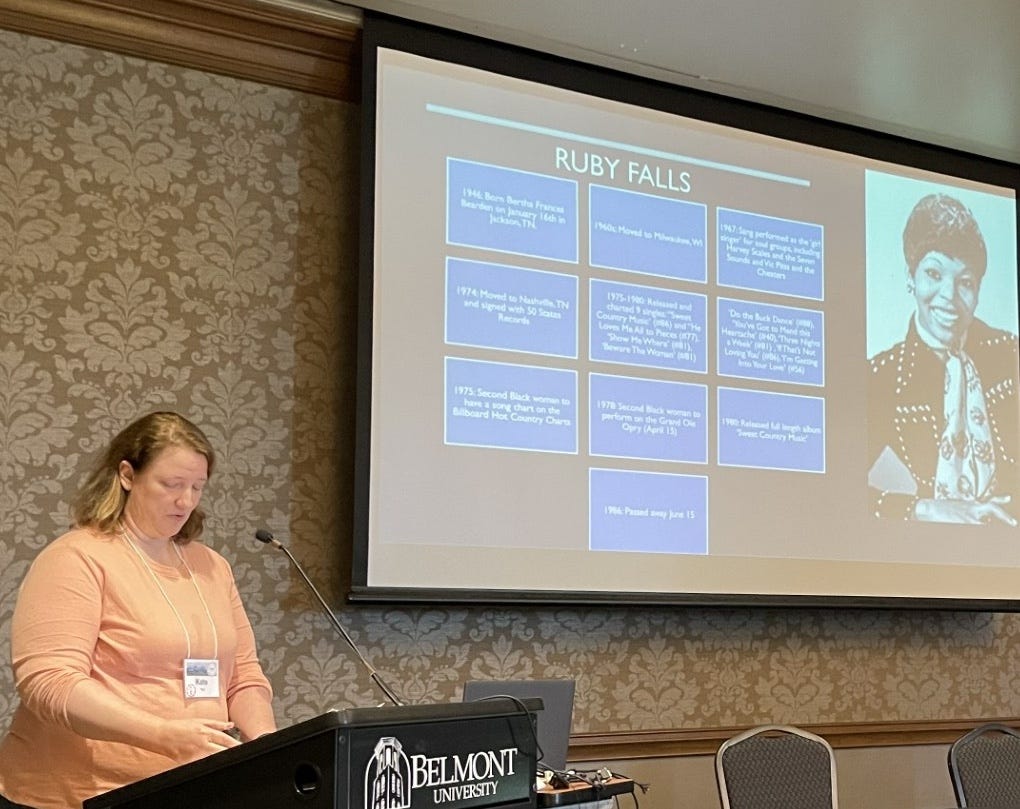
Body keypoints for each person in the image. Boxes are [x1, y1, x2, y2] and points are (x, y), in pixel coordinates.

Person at [0, 412, 276, 809]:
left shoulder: (212, 566)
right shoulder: (76, 557)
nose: (186, 501)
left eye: (197, 487)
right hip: (78, 795)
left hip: (185, 788)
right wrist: (162, 734)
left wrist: (267, 746)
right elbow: (50, 682)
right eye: (172, 484)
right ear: (127, 475)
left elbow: (243, 677)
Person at [868, 192, 1020, 524]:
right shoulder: (881, 377)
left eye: (964, 282)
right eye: (934, 275)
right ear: (911, 277)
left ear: (978, 290)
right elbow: (833, 488)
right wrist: (924, 508)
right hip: (934, 552)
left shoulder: (1012, 354)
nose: (949, 297)